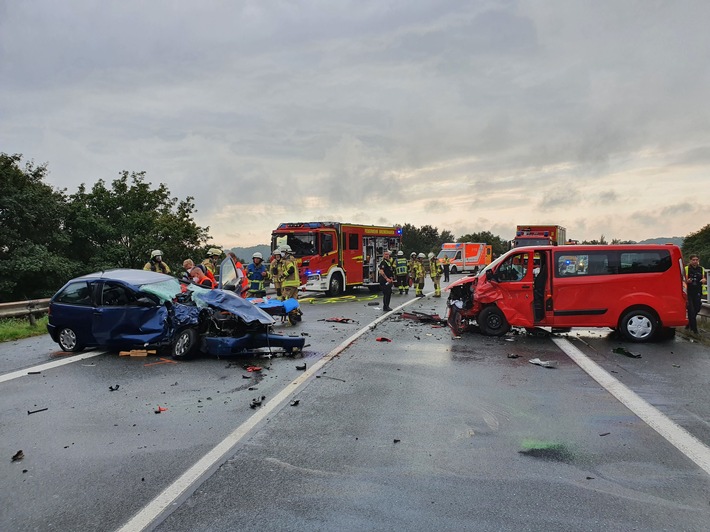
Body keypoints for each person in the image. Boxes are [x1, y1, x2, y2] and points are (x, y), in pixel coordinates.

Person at [278, 246, 302, 322]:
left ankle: (291, 315)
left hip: (289, 283)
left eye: (282, 252)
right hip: (295, 283)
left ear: (286, 252)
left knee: (285, 299)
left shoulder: (287, 260)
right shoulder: (293, 259)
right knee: (294, 300)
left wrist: (283, 275)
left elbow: (291, 269)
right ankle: (297, 314)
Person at [685, 254, 706, 334]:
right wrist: (687, 281)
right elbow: (681, 280)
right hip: (688, 292)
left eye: (696, 260)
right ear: (690, 261)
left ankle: (689, 323)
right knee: (691, 310)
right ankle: (694, 330)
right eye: (693, 260)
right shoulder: (686, 269)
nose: (695, 261)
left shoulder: (701, 269)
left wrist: (704, 280)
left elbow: (704, 278)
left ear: (698, 260)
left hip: (697, 291)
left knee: (697, 308)